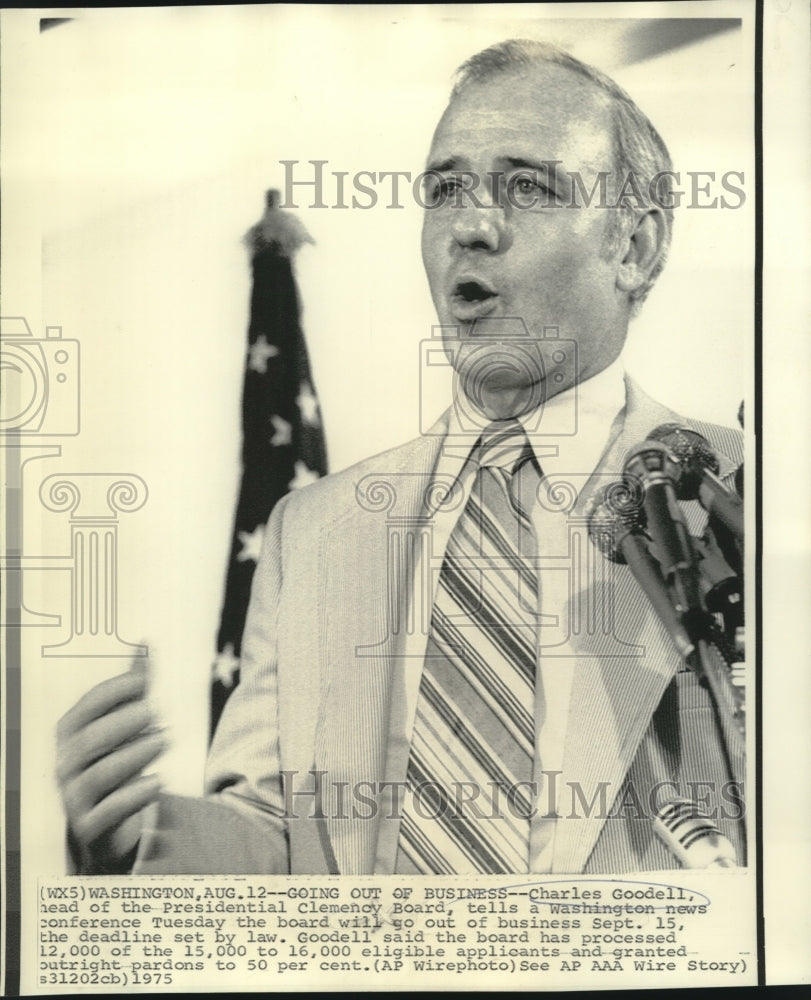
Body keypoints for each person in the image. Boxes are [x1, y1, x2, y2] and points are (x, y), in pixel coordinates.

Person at [56, 39, 744, 876]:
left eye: (526, 186)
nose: (470, 227)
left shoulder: (749, 492)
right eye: (446, 188)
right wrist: (136, 840)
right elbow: (277, 843)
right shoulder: (312, 533)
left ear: (633, 247)